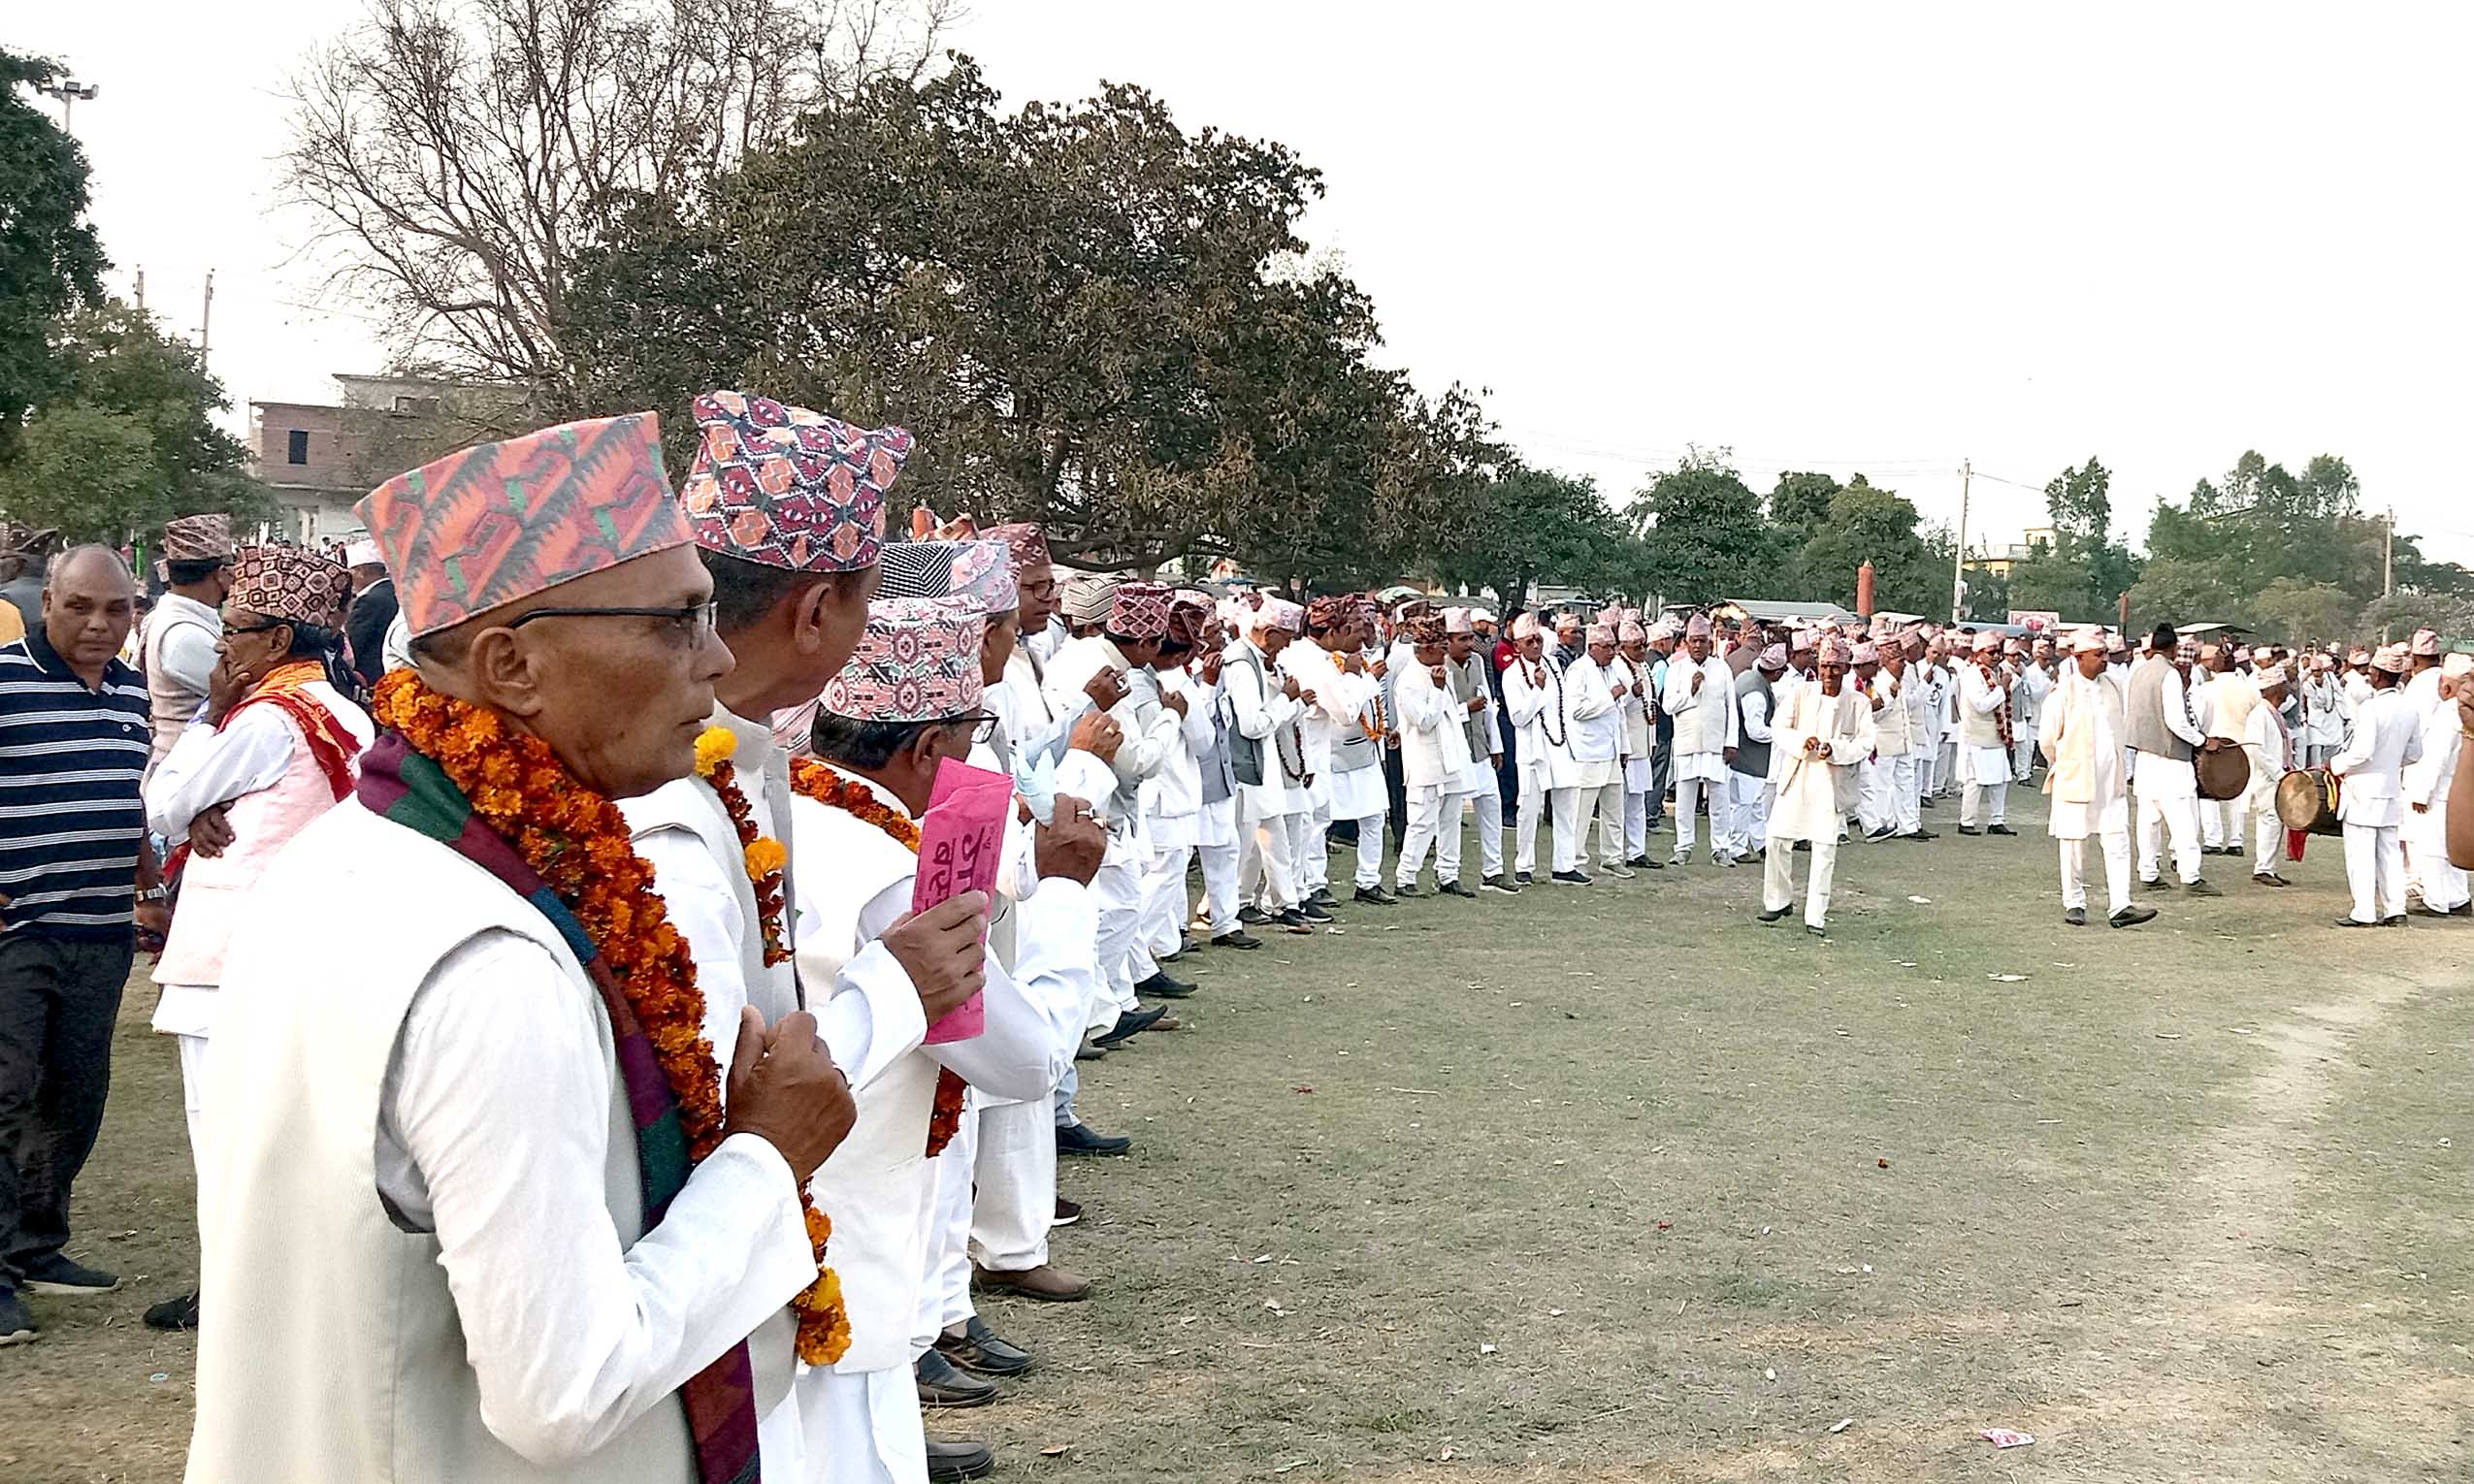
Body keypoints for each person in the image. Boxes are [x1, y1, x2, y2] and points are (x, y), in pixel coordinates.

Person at [188, 413, 860, 1482]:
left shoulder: (350, 857)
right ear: (514, 664)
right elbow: (563, 1390)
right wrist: (769, 1160)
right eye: (678, 622)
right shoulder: (491, 960)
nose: (721, 656)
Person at [787, 594, 1085, 1484]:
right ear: (926, 748)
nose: (973, 752)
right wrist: (1066, 892)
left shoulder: (783, 813)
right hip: (850, 1233)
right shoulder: (888, 872)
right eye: (969, 731)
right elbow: (1024, 1060)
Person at [139, 546, 371, 1334]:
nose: (221, 648)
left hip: (227, 962)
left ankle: (236, 1298)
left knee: (226, 1141)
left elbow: (164, 804)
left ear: (276, 642)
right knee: (288, 1138)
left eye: (233, 631)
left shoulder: (266, 718)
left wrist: (206, 719)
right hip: (305, 954)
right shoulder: (340, 710)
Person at [0, 547, 164, 1349]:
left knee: (75, 1098)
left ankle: (37, 1243)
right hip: (17, 932)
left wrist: (151, 883)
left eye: (117, 610)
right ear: (48, 603)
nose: (100, 625)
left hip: (100, 932)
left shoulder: (133, 691)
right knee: (6, 1095)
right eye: (80, 608)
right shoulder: (3, 679)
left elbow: (128, 799)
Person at [2037, 628, 2154, 928]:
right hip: (2076, 777)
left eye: (2105, 654)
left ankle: (2120, 905)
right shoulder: (2063, 693)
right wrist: (2066, 764)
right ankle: (2074, 902)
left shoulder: (2114, 686)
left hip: (2111, 779)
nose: (2104, 660)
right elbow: (2048, 740)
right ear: (2078, 658)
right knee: (2074, 843)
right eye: (2098, 655)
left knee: (2117, 839)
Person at [1759, 638, 1872, 936]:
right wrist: (1802, 741)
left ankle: (1815, 916)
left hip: (1831, 783)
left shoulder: (1858, 702)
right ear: (1817, 667)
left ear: (1847, 669)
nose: (1829, 673)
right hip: (1797, 774)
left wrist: (1833, 749)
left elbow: (1865, 743)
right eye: (1824, 666)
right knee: (1776, 839)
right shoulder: (1801, 692)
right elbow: (1779, 727)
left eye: (1836, 667)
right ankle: (1778, 901)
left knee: (1824, 848)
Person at [1224, 598, 1315, 929]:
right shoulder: (1241, 665)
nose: (1286, 647)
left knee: (1274, 835)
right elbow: (1252, 725)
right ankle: (1223, 907)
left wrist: (1289, 703)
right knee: (1243, 844)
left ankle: (1284, 904)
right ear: (1271, 633)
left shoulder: (1257, 662)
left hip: (1263, 764)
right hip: (1246, 766)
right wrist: (1286, 700)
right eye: (1286, 639)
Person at [2328, 643, 2423, 927]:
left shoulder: (2371, 708)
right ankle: (2396, 909)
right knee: (2389, 853)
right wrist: (2390, 763)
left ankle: (2364, 912)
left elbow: (2362, 751)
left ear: (2379, 675)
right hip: (2391, 788)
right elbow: (2415, 754)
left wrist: (2335, 764)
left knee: (2360, 855)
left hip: (2363, 792)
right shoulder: (2409, 708)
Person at [2129, 629, 2217, 896]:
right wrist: (2202, 741)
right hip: (2171, 758)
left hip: (2144, 756)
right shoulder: (2169, 675)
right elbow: (2176, 721)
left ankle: (2149, 873)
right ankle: (2191, 878)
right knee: (2184, 821)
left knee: (2148, 820)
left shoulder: (2138, 672)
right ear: (2173, 648)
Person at [145, 514, 236, 775]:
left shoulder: (187, 618)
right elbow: (244, 690)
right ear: (221, 573)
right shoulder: (184, 634)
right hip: (182, 767)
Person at [1660, 613, 1736, 865]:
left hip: (1715, 742)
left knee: (1719, 797)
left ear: (1710, 643)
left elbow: (1731, 708)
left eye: (1703, 640)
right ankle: (1683, 847)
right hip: (1687, 742)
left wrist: (1731, 741)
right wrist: (1690, 691)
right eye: (1693, 640)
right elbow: (1668, 705)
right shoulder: (1676, 669)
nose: (1698, 645)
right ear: (1686, 642)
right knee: (1684, 799)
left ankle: (1721, 848)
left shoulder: (1721, 668)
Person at [1446, 608, 1511, 887]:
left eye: (1471, 637)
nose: (1470, 643)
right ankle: (1448, 874)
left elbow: (1487, 706)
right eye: (1463, 639)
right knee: (1451, 816)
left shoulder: (1477, 661)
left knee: (1491, 807)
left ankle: (1493, 871)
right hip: (1454, 752)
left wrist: (1495, 745)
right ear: (1447, 641)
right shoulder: (1439, 667)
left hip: (1481, 749)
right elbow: (1441, 714)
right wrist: (1465, 709)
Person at [2402, 654, 2469, 917]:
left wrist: (2421, 792)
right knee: (2454, 847)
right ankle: (2459, 898)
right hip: (2461, 791)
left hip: (2439, 792)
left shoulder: (2448, 712)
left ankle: (2436, 900)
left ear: (2447, 686)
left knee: (2431, 848)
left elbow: (2436, 759)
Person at [1499, 614, 1557, 887]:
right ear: (1518, 645)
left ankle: (1565, 864)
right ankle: (1524, 865)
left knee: (1566, 806)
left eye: (1538, 639)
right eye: (1529, 641)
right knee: (1528, 808)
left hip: (1557, 746)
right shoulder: (1511, 675)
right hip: (1529, 750)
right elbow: (1519, 717)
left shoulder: (1554, 665)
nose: (1536, 645)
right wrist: (1538, 690)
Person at [2237, 662, 2300, 890]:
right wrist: (2278, 773)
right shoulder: (2259, 714)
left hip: (2278, 777)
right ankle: (2262, 869)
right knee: (2270, 820)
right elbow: (2255, 749)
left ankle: (2268, 867)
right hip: (2267, 778)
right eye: (2283, 686)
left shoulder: (2273, 713)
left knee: (2276, 820)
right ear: (2274, 689)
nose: (2287, 691)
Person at [1954, 631, 2018, 836]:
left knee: (2001, 779)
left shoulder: (1997, 671)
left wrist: (2005, 684)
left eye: (1998, 651)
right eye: (1992, 652)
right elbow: (1982, 705)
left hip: (1996, 736)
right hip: (1977, 736)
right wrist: (2003, 688)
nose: (1997, 656)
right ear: (1978, 653)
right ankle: (1967, 822)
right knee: (1975, 781)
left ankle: (1996, 820)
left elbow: (2014, 680)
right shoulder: (1972, 675)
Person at [1611, 619, 1662, 868]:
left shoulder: (1643, 666)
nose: (1642, 651)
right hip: (1625, 745)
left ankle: (1637, 851)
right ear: (1622, 647)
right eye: (1636, 647)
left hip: (1642, 743)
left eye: (1643, 645)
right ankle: (1617, 852)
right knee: (1620, 800)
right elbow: (1616, 706)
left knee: (1637, 798)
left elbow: (1648, 708)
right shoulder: (1618, 667)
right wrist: (1633, 693)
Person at [342, 536, 400, 687]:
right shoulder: (394, 591)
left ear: (360, 571)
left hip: (369, 678)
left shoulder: (369, 601)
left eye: (351, 572)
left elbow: (353, 645)